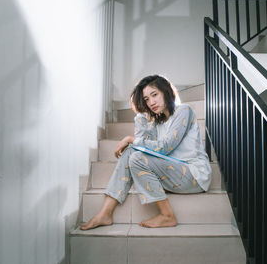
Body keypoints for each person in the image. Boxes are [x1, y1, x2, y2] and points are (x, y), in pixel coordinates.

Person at [80, 75, 212, 229]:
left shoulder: (184, 111)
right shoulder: (157, 122)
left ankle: (167, 215)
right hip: (173, 172)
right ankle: (105, 213)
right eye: (147, 99)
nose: (151, 102)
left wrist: (129, 138)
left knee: (137, 157)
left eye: (154, 95)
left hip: (194, 175)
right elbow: (141, 144)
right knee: (131, 152)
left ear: (166, 92)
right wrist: (142, 115)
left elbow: (165, 146)